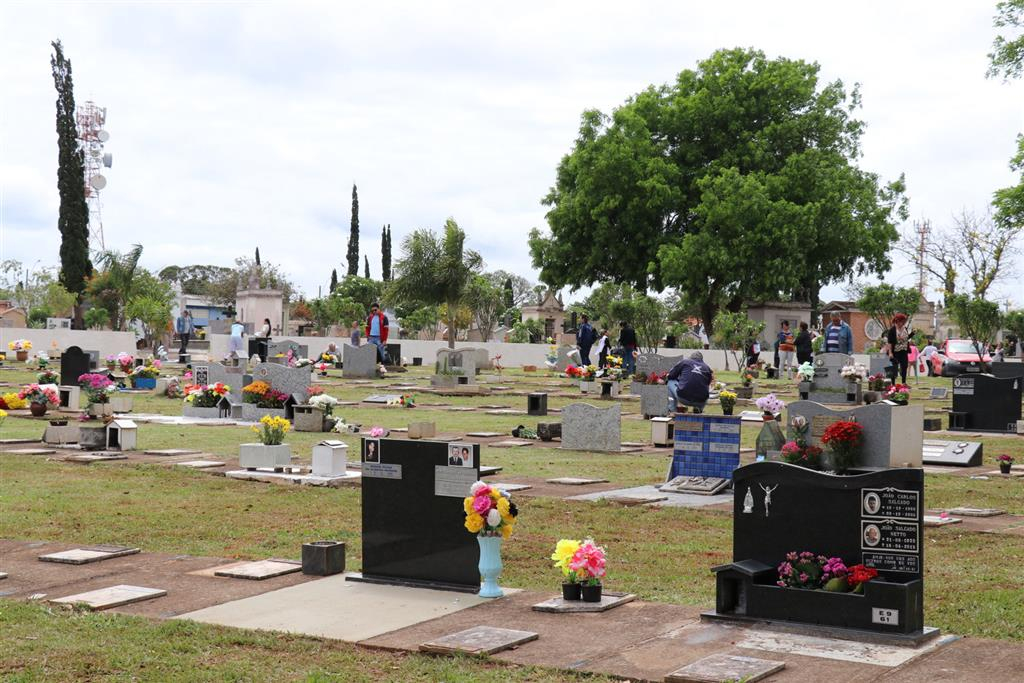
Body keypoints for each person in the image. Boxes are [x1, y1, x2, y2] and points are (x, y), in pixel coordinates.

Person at [884, 312, 912, 384]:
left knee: (904, 366)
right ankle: (893, 384)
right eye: (902, 321)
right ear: (898, 321)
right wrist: (890, 353)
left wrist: (911, 335)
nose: (903, 323)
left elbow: (906, 338)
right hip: (895, 351)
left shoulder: (905, 328)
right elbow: (890, 342)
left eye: (904, 321)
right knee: (894, 367)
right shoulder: (892, 330)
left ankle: (904, 383)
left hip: (904, 350)